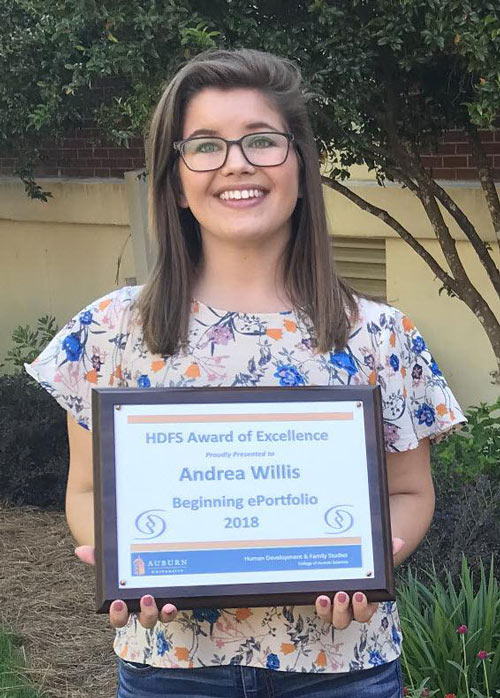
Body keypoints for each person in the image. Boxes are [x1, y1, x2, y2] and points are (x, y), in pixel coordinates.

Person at [26, 48, 465, 698]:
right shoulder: (110, 330)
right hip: (172, 668)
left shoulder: (381, 334)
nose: (237, 163)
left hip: (342, 666)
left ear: (299, 165)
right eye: (205, 145)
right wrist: (135, 568)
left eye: (262, 140)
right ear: (175, 178)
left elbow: (409, 494)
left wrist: (363, 568)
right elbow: (88, 493)